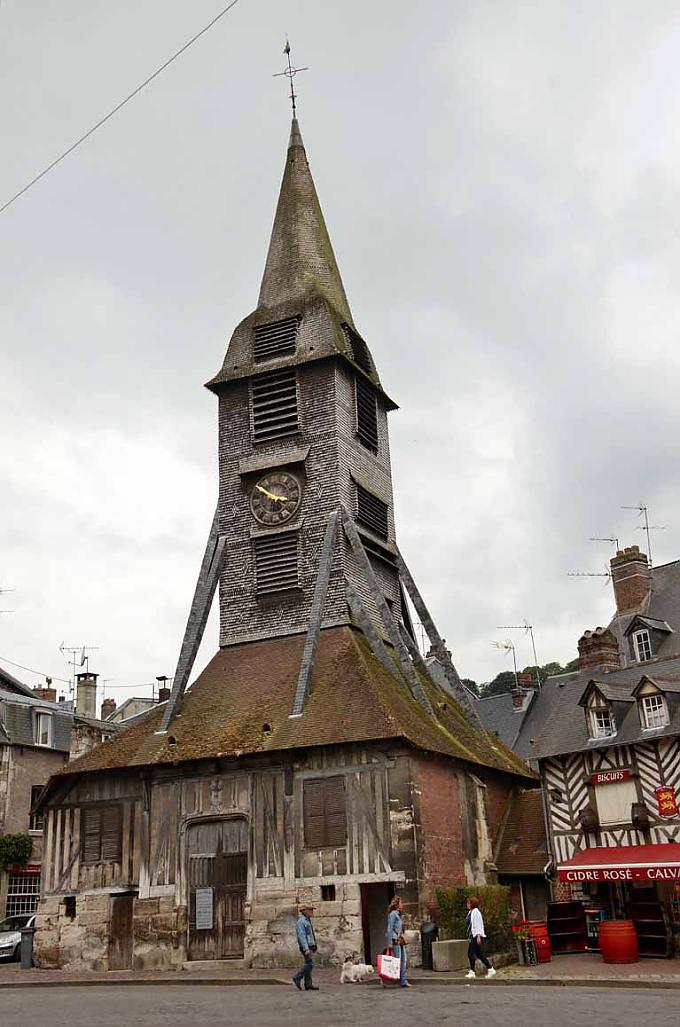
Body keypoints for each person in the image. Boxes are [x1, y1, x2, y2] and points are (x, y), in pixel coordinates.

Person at [464, 896, 496, 978]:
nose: (467, 904)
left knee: (470, 953)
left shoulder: (475, 912)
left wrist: (478, 936)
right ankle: (490, 969)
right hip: (472, 936)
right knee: (480, 954)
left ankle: (472, 971)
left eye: (468, 903)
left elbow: (477, 924)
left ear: (472, 904)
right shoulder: (470, 912)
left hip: (475, 936)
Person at [385, 895, 411, 987]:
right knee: (397, 961)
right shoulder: (393, 914)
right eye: (401, 903)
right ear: (396, 904)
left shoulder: (398, 915)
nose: (402, 904)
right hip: (395, 941)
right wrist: (389, 942)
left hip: (400, 940)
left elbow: (399, 928)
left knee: (403, 960)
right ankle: (399, 980)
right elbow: (389, 929)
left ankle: (403, 980)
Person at [292, 902, 319, 991]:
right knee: (309, 964)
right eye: (310, 910)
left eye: (312, 910)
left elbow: (310, 934)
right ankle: (297, 977)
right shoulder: (301, 922)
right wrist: (306, 948)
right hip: (306, 946)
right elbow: (301, 936)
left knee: (309, 964)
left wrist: (314, 945)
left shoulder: (307, 920)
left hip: (310, 945)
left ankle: (308, 984)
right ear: (304, 911)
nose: (312, 911)